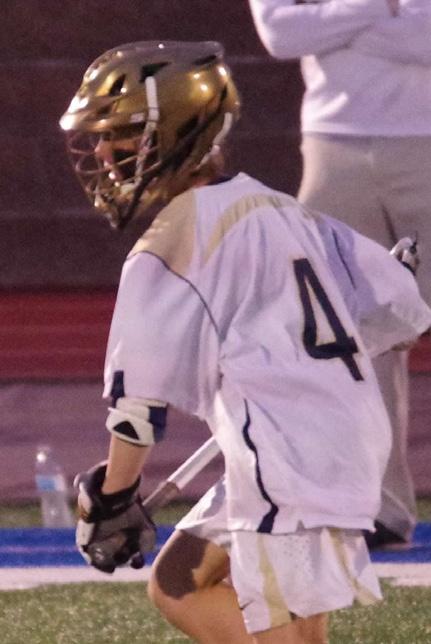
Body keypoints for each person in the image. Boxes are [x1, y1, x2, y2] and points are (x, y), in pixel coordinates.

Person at [61, 41, 431, 643]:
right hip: (329, 440)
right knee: (179, 581)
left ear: (177, 129)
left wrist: (112, 496)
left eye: (121, 132)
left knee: (283, 633)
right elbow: (400, 307)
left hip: (289, 455)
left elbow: (137, 408)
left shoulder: (170, 243)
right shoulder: (279, 207)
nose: (103, 151)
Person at [248, 0, 431, 548]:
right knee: (347, 333)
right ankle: (376, 507)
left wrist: (336, 28)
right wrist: (381, 9)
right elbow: (280, 34)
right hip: (332, 144)